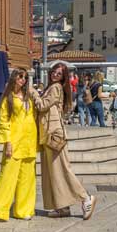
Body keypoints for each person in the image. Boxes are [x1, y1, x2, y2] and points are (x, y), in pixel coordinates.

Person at [32, 62, 97, 220]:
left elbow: (42, 106)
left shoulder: (55, 87)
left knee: (62, 170)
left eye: (59, 73)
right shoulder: (52, 87)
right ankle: (62, 207)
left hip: (54, 134)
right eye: (54, 71)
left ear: (63, 77)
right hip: (49, 133)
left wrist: (32, 92)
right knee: (53, 173)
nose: (55, 74)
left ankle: (86, 198)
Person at [0, 69, 37, 224]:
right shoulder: (7, 99)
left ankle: (23, 210)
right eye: (20, 77)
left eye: (25, 78)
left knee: (27, 179)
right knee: (7, 178)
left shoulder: (29, 97)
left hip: (29, 142)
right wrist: (7, 142)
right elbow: (4, 122)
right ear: (14, 78)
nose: (22, 80)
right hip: (14, 143)